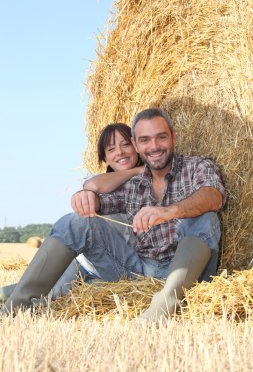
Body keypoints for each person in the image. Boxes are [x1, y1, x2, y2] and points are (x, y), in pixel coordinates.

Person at [1, 108, 226, 322]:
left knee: (205, 217)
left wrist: (170, 211)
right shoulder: (134, 184)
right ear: (136, 146)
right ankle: (17, 306)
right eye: (145, 140)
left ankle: (164, 306)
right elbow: (98, 198)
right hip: (137, 270)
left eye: (161, 137)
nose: (155, 146)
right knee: (76, 222)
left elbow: (213, 196)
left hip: (183, 271)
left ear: (173, 137)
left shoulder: (197, 166)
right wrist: (86, 197)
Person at [0, 123, 143, 304]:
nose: (120, 152)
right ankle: (9, 297)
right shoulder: (101, 181)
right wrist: (136, 169)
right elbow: (92, 185)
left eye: (125, 145)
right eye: (111, 149)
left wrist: (140, 172)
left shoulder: (148, 181)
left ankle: (17, 305)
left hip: (114, 265)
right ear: (105, 158)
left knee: (53, 295)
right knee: (41, 286)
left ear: (136, 146)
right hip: (83, 262)